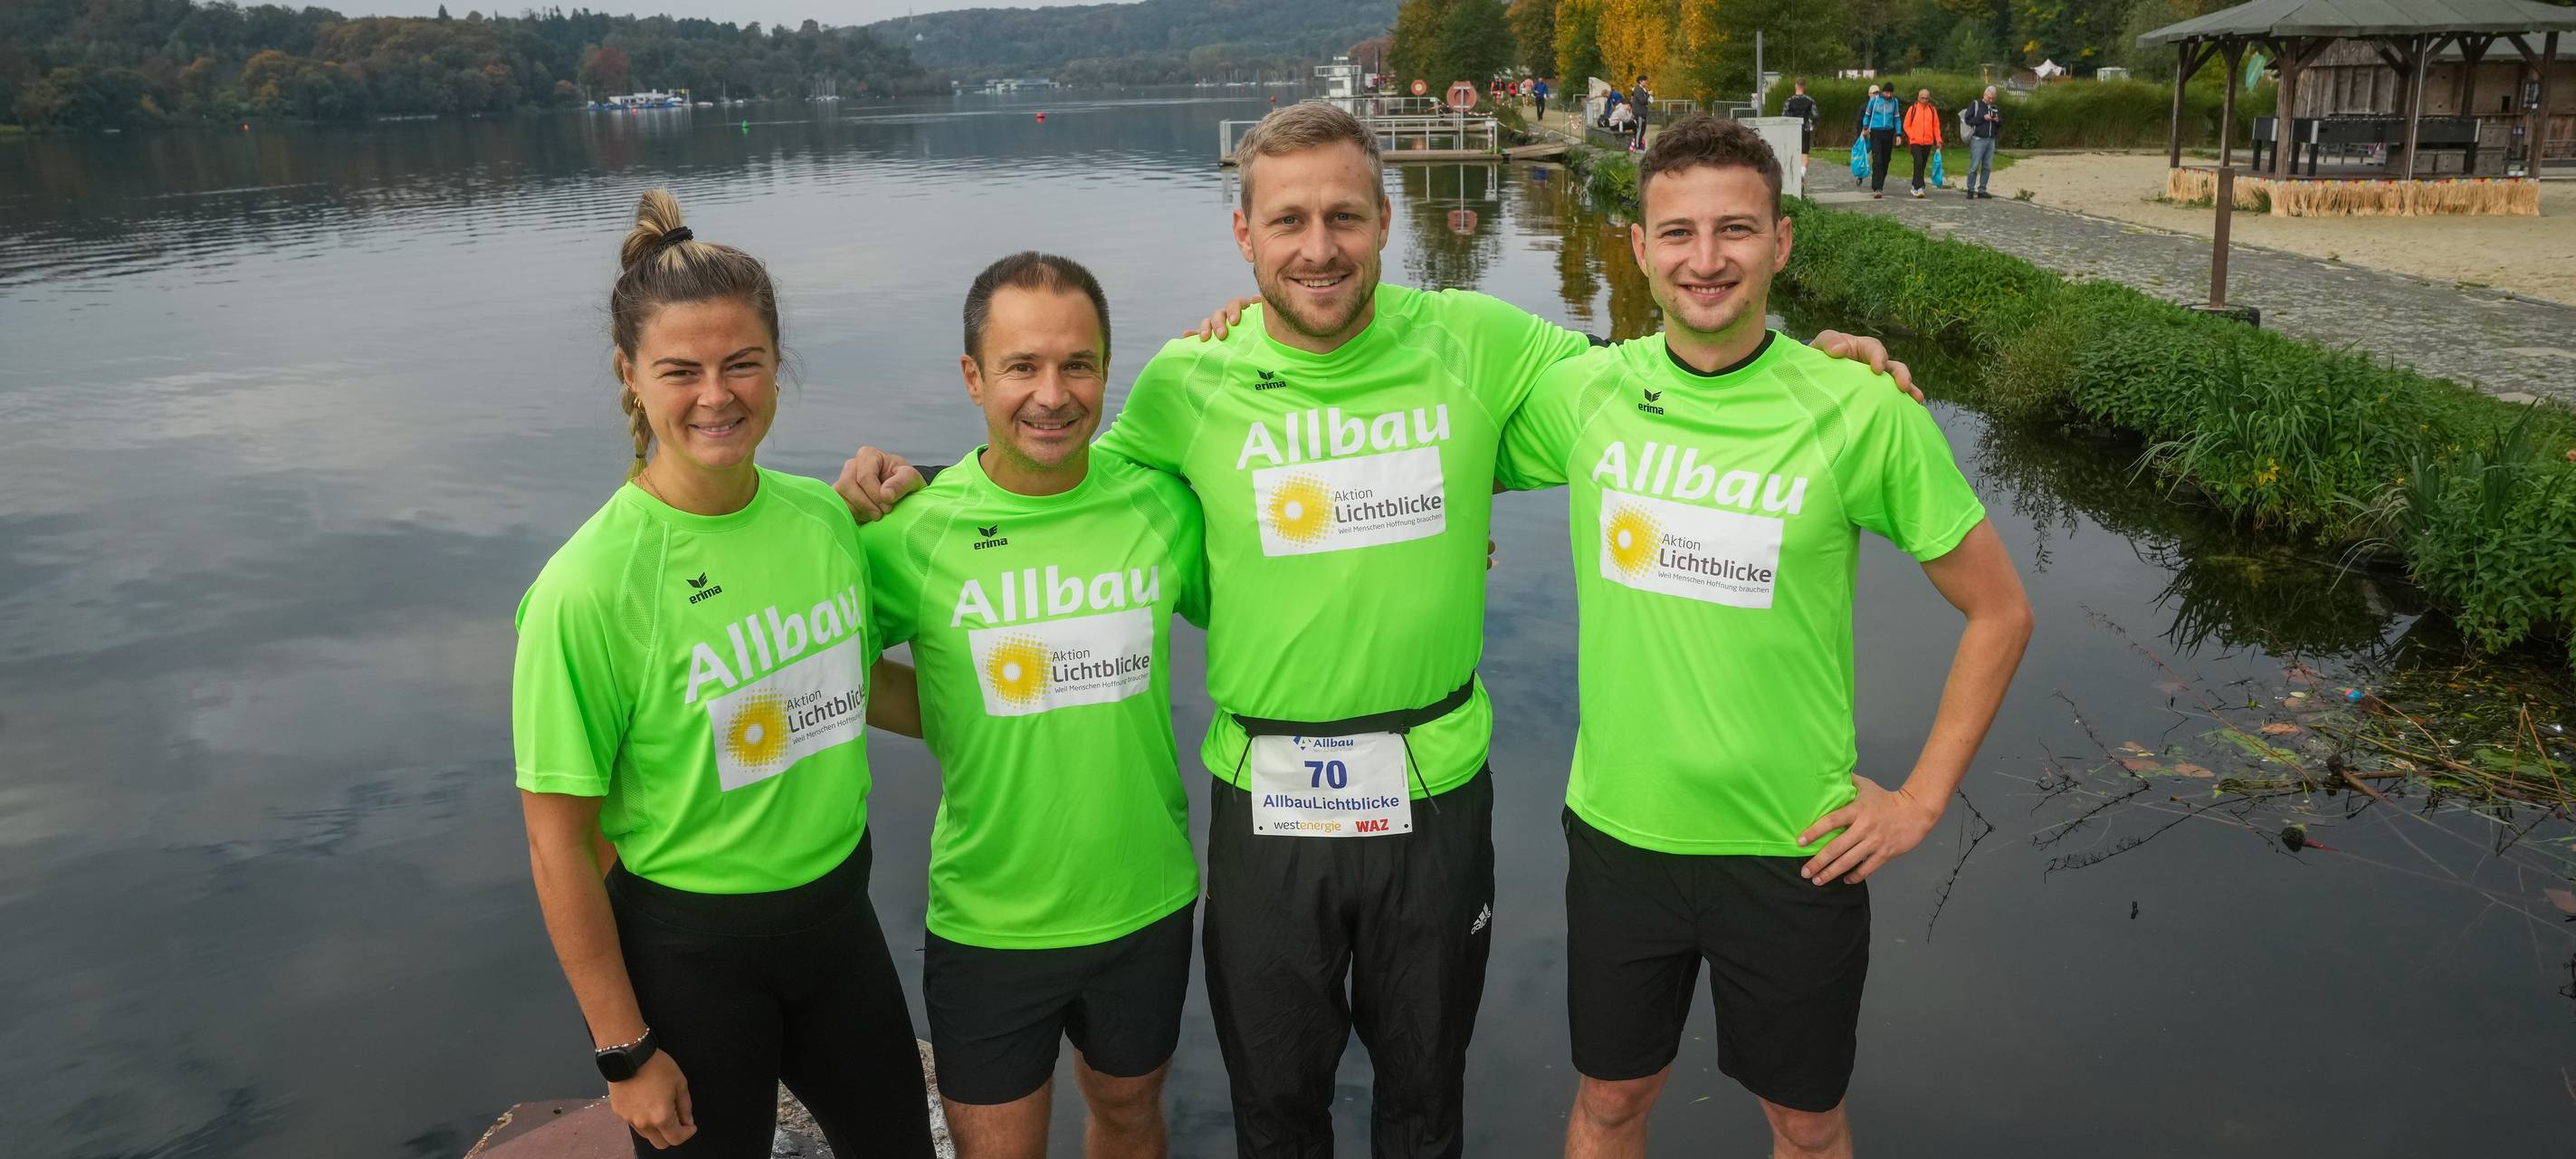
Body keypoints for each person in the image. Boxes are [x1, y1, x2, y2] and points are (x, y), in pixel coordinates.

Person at [832, 103, 1919, 1159]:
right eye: (1288, 221)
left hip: (1433, 794)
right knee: (1275, 1106)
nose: (1318, 246)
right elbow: (1059, 482)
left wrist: (1806, 365)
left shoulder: (1474, 341)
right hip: (1267, 805)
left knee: (1422, 1096)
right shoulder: (1185, 379)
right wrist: (916, 482)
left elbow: (1668, 379)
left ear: (1386, 221)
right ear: (1242, 235)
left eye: (1343, 216)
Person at [1494, 115, 2033, 1159]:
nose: (1706, 259)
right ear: (1639, 246)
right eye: (1679, 233)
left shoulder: (1856, 408)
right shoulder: (1586, 394)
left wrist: (1918, 799)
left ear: (1779, 242)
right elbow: (1416, 415)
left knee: (1805, 1119)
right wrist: (1252, 324)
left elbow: (1999, 610)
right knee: (1610, 1102)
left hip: (1795, 850)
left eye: (1733, 230)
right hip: (1622, 837)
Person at [512, 188, 936, 1157]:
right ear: (629, 374)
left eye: (741, 362)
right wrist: (624, 1050)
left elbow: (845, 680)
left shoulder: (820, 517)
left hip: (836, 920)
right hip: (688, 955)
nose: (717, 394)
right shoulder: (588, 587)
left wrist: (1010, 706)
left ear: (776, 364)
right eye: (681, 369)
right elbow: (556, 846)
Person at [863, 253, 1207, 1158]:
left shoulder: (1161, 506)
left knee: (1129, 1118)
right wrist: (951, 708)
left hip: (1144, 900)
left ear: (1105, 369)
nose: (1051, 394)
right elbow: (821, 667)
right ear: (973, 377)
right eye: (1020, 366)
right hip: (990, 919)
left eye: (1077, 364)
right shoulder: (913, 532)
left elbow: (1285, 584)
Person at [1903, 88, 1943, 198]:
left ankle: (1914, 186)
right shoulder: (1913, 109)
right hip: (1915, 141)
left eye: (1926, 98)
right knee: (1919, 161)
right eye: (1922, 98)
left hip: (1928, 142)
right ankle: (1920, 187)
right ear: (1918, 97)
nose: (1924, 100)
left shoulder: (1932, 110)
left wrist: (1938, 139)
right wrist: (1913, 136)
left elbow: (1936, 126)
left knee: (1922, 164)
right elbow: (1906, 125)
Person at [1962, 86, 2002, 199]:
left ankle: (1982, 190)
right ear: (1985, 94)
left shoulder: (1995, 107)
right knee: (1974, 166)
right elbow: (1968, 120)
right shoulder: (1975, 104)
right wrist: (1983, 118)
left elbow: (2000, 123)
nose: (1991, 100)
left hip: (1991, 140)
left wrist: (1997, 120)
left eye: (1993, 98)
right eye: (1990, 98)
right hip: (1978, 139)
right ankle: (1970, 189)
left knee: (1987, 167)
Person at [1862, 84, 1901, 198]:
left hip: (1889, 132)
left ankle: (1880, 181)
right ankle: (1878, 187)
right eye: (1886, 93)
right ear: (1882, 92)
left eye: (1890, 93)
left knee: (1886, 160)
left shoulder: (1895, 102)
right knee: (1877, 159)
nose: (1888, 95)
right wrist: (1865, 127)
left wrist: (1898, 134)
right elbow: (1867, 115)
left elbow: (1897, 118)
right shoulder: (1874, 101)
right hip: (1876, 132)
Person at [1779, 79, 1818, 184]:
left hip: (1792, 129)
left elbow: (1784, 116)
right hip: (1805, 127)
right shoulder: (1810, 100)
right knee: (1804, 152)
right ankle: (1802, 172)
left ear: (1796, 86)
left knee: (1792, 151)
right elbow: (1816, 115)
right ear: (1804, 87)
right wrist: (1810, 124)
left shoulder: (1789, 100)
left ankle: (1792, 175)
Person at [1628, 74, 1652, 148]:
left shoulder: (1642, 90)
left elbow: (1644, 101)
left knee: (1642, 130)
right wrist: (1648, 94)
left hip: (1643, 113)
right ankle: (1637, 146)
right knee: (1639, 130)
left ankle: (1639, 145)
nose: (1646, 82)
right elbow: (1642, 101)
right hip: (1639, 113)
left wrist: (1647, 96)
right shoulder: (1638, 89)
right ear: (1640, 81)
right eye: (1645, 80)